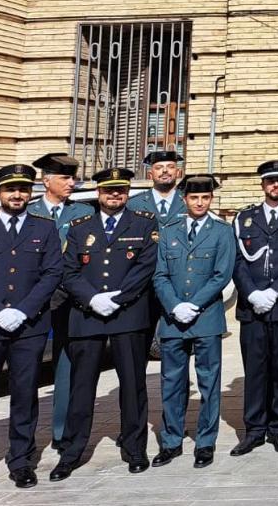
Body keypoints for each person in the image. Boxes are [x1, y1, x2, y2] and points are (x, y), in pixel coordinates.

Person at [52, 167, 159, 481]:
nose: (115, 195)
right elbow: (68, 270)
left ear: (127, 192)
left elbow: (145, 266)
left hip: (129, 316)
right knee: (81, 388)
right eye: (109, 190)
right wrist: (92, 299)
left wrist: (119, 297)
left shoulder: (143, 222)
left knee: (133, 386)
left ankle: (135, 449)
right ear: (98, 193)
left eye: (121, 190)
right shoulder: (78, 226)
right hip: (86, 317)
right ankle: (71, 453)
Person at [0, 164, 62, 489]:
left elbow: (52, 273)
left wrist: (23, 311)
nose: (17, 194)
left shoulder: (45, 229)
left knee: (25, 396)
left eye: (23, 189)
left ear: (31, 193)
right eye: (10, 189)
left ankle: (21, 462)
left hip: (29, 328)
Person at [152, 174, 235, 469]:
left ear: (211, 199)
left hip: (206, 318)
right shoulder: (169, 229)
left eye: (205, 198)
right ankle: (171, 440)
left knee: (209, 382)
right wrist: (175, 306)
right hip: (173, 320)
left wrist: (194, 305)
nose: (200, 203)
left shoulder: (222, 232)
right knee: (171, 383)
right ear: (184, 199)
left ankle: (205, 442)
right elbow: (159, 274)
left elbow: (222, 274)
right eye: (194, 198)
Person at [231, 160, 278, 457]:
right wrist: (252, 293)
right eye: (270, 180)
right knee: (255, 370)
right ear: (262, 184)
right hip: (252, 307)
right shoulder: (245, 218)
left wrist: (274, 291)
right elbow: (236, 261)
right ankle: (254, 429)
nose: (276, 185)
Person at [26, 152, 91, 454]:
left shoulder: (81, 213)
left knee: (66, 367)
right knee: (26, 373)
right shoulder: (29, 211)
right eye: (65, 177)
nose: (72, 183)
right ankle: (24, 437)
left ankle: (62, 432)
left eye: (73, 177)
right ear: (46, 180)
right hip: (32, 303)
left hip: (68, 301)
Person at [129, 150, 186, 220]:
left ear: (178, 172)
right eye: (158, 168)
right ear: (150, 174)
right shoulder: (134, 203)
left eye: (170, 167)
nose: (165, 170)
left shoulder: (189, 201)